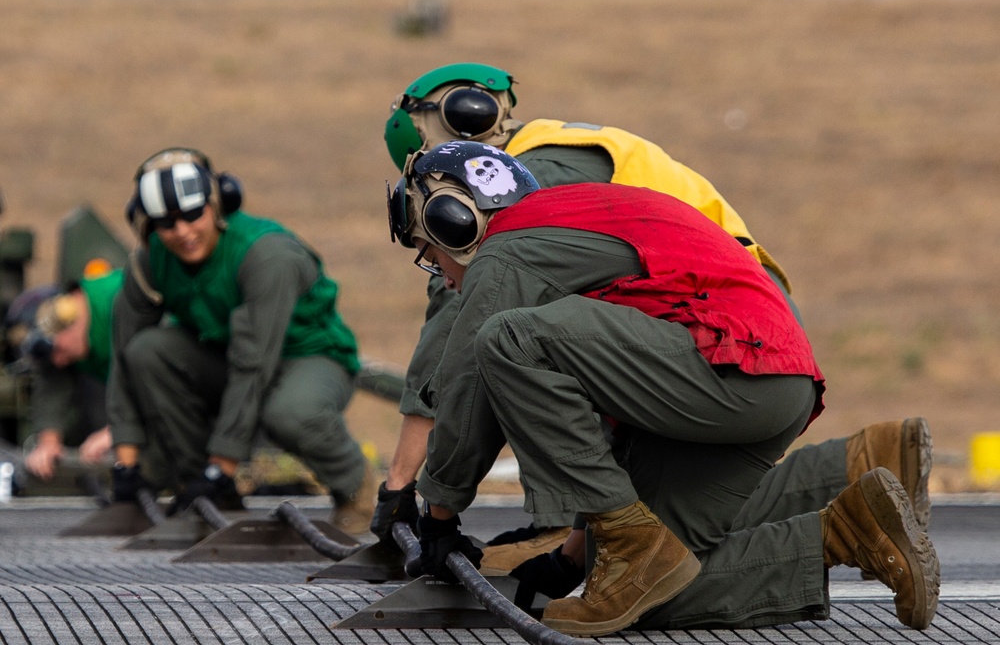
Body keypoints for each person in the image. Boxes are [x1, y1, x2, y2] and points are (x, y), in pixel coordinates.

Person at [373, 63, 933, 564]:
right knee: (656, 572)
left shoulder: (527, 206)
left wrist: (415, 496)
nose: (440, 273)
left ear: (454, 216)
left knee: (509, 340)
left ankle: (587, 531)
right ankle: (851, 497)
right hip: (733, 332)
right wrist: (575, 557)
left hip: (717, 332)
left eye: (432, 253)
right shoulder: (554, 157)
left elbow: (468, 341)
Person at [106, 148, 376, 528]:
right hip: (231, 356)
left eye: (192, 215)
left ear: (217, 206)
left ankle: (357, 491)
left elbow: (254, 363)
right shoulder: (150, 262)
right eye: (166, 223)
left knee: (290, 413)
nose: (182, 232)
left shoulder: (266, 255)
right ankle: (203, 489)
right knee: (148, 352)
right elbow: (122, 356)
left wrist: (223, 465)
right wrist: (125, 461)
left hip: (309, 356)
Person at [7, 271, 121, 480]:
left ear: (69, 318)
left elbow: (163, 380)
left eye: (57, 351)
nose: (59, 360)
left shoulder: (120, 303)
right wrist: (48, 442)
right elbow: (52, 380)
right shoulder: (77, 337)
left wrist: (121, 430)